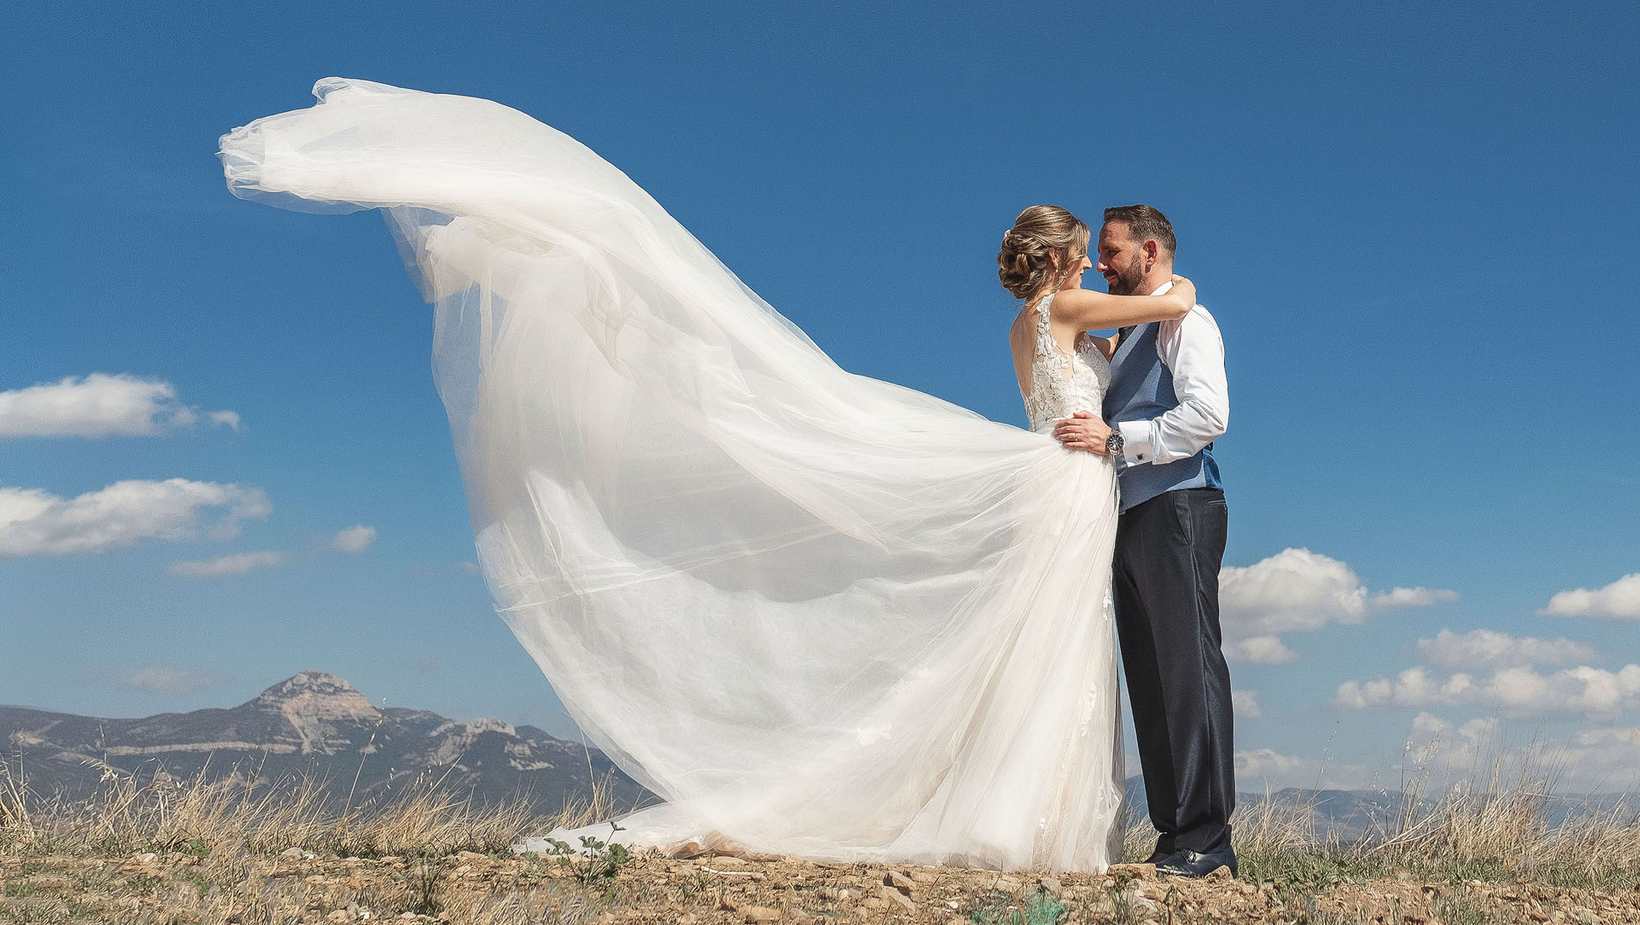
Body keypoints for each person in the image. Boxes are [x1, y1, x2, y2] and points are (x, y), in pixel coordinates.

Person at [218, 79, 1199, 872]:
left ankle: (1010, 812)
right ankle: (1032, 819)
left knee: (1035, 641)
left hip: (1056, 476)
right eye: (1089, 255)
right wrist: (1162, 277)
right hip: (1069, 482)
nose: (1098, 268)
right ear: (1062, 259)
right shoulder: (1068, 310)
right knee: (1053, 644)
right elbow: (1175, 303)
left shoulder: (1025, 325)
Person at [1053, 205, 1236, 878]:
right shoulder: (1129, 329)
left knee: (1188, 669)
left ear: (1149, 251)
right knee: (1151, 679)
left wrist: (1118, 440)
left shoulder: (1186, 321)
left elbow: (1209, 415)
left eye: (1112, 251)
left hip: (1180, 506)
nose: (1102, 264)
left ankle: (1208, 840)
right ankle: (1173, 835)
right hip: (1130, 515)